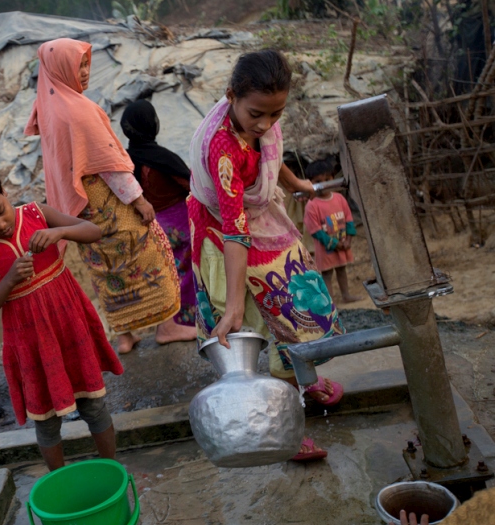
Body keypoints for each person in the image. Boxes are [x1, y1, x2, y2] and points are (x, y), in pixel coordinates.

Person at [187, 49, 345, 461]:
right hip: (227, 236)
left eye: (275, 114)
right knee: (261, 324)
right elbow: (235, 230)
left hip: (264, 218)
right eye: (256, 114)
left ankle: (304, 377)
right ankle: (283, 424)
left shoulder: (263, 118)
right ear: (231, 96)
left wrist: (299, 183)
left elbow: (273, 154)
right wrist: (234, 304)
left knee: (295, 312)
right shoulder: (223, 151)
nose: (265, 124)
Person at [0, 165, 124, 472]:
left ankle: (113, 470)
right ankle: (60, 484)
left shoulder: (37, 214)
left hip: (68, 325)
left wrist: (60, 231)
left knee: (93, 404)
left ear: (4, 192)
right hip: (31, 343)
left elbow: (93, 232)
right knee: (47, 420)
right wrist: (8, 281)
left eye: (0, 211)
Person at [25, 38, 183, 354]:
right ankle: (166, 326)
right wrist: (139, 200)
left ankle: (124, 336)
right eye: (77, 65)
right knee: (149, 252)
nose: (84, 72)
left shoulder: (47, 108)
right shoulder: (80, 110)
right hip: (108, 201)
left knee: (105, 269)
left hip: (80, 209)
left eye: (86, 64)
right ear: (59, 68)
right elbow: (110, 165)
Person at [120, 99, 198, 330]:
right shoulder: (163, 158)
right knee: (187, 274)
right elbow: (191, 186)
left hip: (150, 229)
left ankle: (168, 323)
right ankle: (189, 321)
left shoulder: (125, 162)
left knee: (164, 276)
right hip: (180, 227)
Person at [303, 159, 363, 304]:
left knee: (342, 269)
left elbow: (349, 219)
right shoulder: (312, 205)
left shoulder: (339, 198)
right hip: (326, 247)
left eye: (327, 180)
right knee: (327, 273)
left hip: (343, 243)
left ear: (333, 179)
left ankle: (346, 295)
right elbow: (315, 230)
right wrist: (334, 244)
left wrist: (348, 240)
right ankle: (330, 301)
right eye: (318, 181)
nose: (323, 185)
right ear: (310, 183)